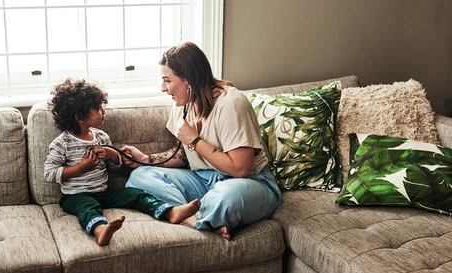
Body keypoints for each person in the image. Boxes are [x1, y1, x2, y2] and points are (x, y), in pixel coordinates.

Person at [120, 42, 282, 240]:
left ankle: (191, 215)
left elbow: (241, 169)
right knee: (140, 177)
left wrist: (195, 140)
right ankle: (195, 220)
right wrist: (145, 159)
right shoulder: (182, 103)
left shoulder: (232, 103)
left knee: (228, 198)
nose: (163, 88)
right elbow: (183, 155)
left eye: (167, 80)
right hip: (203, 179)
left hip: (248, 183)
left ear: (188, 80)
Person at [44, 78, 201, 246]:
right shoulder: (62, 143)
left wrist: (112, 155)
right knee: (88, 208)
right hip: (75, 196)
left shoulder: (101, 137)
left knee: (136, 194)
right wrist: (80, 168)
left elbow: (114, 167)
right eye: (98, 108)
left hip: (103, 192)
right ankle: (100, 230)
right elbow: (50, 173)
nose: (103, 111)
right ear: (80, 117)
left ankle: (170, 212)